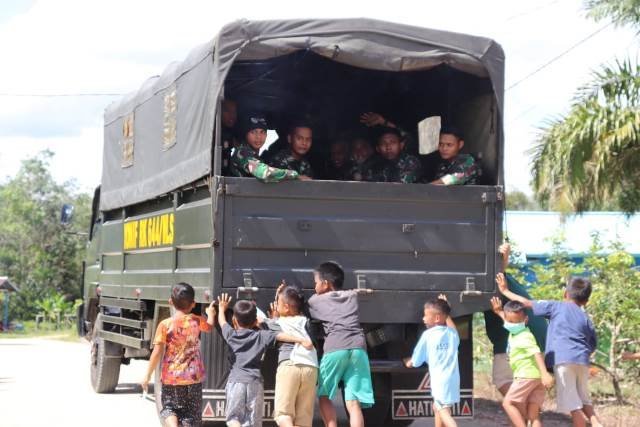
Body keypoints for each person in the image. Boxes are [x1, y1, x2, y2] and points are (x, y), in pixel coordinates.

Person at [497, 274, 603, 427]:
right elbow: (592, 344)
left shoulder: (556, 306)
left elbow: (526, 303)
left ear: (565, 294)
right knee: (583, 399)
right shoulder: (585, 318)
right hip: (582, 361)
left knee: (574, 405)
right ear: (586, 301)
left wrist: (505, 291)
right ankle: (596, 422)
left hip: (563, 360)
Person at [217, 293, 313, 427]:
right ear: (255, 321)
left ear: (234, 320)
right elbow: (280, 336)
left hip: (236, 381)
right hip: (255, 383)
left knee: (233, 418)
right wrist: (301, 340)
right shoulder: (261, 336)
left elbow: (222, 322)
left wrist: (221, 308)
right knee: (253, 422)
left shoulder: (231, 334)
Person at [307, 262, 374, 427]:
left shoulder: (315, 301)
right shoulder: (351, 296)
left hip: (336, 347)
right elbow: (354, 292)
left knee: (324, 395)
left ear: (325, 283)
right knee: (354, 402)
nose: (314, 286)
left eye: (316, 282)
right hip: (358, 349)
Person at [141, 283, 216, 427]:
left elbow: (157, 353)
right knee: (191, 416)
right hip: (194, 379)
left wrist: (147, 376)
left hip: (172, 379)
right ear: (193, 304)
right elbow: (209, 327)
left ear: (170, 302)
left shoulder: (165, 324)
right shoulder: (196, 321)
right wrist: (211, 314)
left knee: (170, 408)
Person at [484, 242, 548, 396]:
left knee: (503, 380)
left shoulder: (501, 284)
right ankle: (527, 407)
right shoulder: (512, 284)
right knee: (527, 381)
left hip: (513, 341)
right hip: (539, 337)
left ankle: (519, 405)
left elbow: (498, 273)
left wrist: (504, 257)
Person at [490, 298, 554, 427]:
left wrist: (545, 373)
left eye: (516, 322)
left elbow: (536, 352)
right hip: (536, 378)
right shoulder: (517, 330)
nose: (512, 324)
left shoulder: (524, 336)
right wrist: (499, 312)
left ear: (525, 320)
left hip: (525, 376)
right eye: (510, 322)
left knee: (508, 403)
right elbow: (509, 320)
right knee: (533, 415)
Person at [264, 285, 319, 427]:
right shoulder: (307, 321)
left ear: (286, 307)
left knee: (283, 415)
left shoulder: (277, 323)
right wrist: (279, 295)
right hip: (311, 367)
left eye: (278, 303)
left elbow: (257, 321)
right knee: (303, 420)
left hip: (290, 365)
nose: (276, 306)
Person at [404, 296, 460, 427]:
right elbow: (453, 328)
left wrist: (409, 362)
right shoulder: (452, 334)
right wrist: (446, 311)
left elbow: (416, 360)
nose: (423, 318)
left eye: (425, 315)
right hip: (453, 380)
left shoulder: (427, 335)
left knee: (443, 410)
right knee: (438, 408)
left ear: (437, 318)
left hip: (440, 381)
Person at [228, 113, 310, 182]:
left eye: (262, 132)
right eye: (253, 132)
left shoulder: (254, 155)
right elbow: (263, 173)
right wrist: (294, 175)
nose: (258, 137)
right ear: (246, 134)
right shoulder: (242, 153)